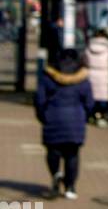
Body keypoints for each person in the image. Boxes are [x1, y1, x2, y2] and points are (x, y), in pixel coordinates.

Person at [35, 47, 94, 200]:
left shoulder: (47, 77)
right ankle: (70, 187)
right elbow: (89, 103)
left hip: (53, 118)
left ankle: (56, 174)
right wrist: (84, 117)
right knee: (72, 154)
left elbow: (40, 101)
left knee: (52, 151)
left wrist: (43, 116)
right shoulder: (83, 79)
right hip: (75, 120)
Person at [84, 29, 108, 127]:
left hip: (91, 73)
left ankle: (92, 115)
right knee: (103, 98)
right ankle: (101, 116)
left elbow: (85, 60)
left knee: (92, 96)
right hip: (104, 74)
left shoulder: (89, 46)